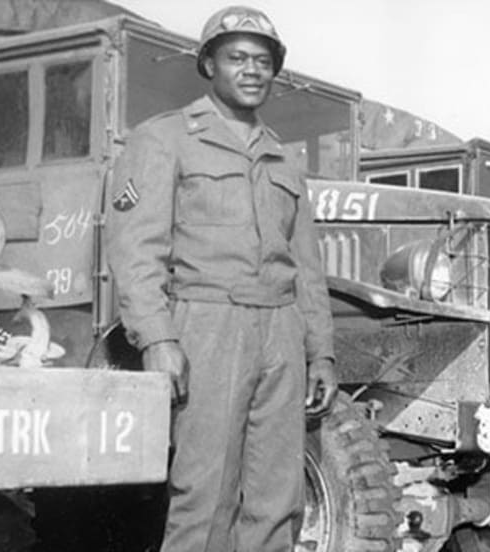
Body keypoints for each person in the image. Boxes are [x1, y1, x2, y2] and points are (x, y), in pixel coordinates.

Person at [106, 6, 337, 551]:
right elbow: (136, 251)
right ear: (209, 64)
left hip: (281, 332)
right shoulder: (164, 139)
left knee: (279, 501)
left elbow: (306, 267)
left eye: (263, 61)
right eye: (237, 58)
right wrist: (157, 338)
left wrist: (321, 352)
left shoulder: (283, 159)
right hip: (207, 327)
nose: (252, 70)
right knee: (205, 495)